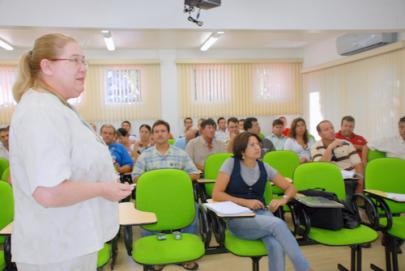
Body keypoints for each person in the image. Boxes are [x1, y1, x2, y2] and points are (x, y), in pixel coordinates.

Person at [9, 33, 133, 271]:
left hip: (70, 242)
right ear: (47, 66)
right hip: (55, 250)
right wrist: (104, 189)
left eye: (84, 61)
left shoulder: (55, 107)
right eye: (74, 60)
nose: (83, 68)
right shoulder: (40, 110)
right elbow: (48, 192)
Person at [212, 132, 312, 271]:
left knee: (276, 244)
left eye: (258, 144)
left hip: (262, 214)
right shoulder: (231, 163)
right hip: (238, 218)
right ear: (242, 150)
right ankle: (303, 268)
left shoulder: (264, 166)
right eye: (252, 145)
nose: (258, 147)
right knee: (278, 223)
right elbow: (216, 194)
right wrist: (245, 202)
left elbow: (290, 187)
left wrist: (283, 200)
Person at [133, 120, 200, 271]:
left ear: (168, 134)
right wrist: (155, 181)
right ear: (153, 135)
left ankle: (185, 255)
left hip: (177, 200)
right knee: (145, 212)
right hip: (154, 201)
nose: (159, 134)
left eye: (163, 131)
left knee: (194, 208)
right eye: (156, 131)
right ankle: (155, 255)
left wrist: (175, 180)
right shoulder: (145, 155)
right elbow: (135, 176)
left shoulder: (180, 154)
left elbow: (195, 174)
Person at [311, 120, 364, 194]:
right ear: (320, 134)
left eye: (332, 128)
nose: (331, 131)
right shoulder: (315, 147)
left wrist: (360, 188)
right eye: (326, 130)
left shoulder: (346, 144)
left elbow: (358, 165)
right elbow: (321, 167)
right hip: (328, 180)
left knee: (346, 196)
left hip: (348, 181)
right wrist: (330, 147)